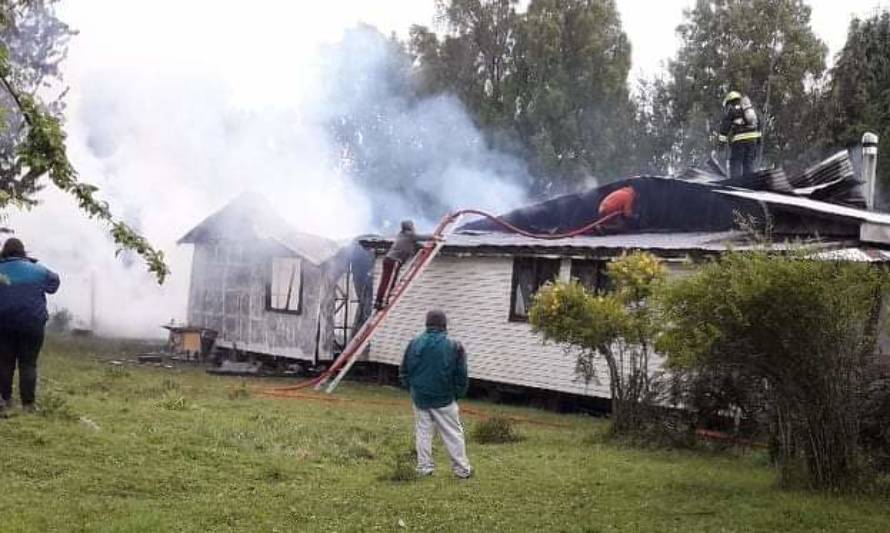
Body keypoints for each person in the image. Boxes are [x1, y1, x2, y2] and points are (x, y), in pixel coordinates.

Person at [399, 309, 472, 479]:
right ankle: (461, 469)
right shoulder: (455, 345)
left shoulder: (414, 343)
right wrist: (457, 394)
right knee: (453, 433)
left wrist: (412, 388)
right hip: (445, 398)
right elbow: (461, 374)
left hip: (420, 397)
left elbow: (403, 370)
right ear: (444, 325)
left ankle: (424, 468)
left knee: (423, 433)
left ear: (427, 323)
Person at [0, 238, 60, 416]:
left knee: (4, 362)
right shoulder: (39, 271)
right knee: (28, 363)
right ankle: (28, 405)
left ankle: (5, 401)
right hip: (32, 324)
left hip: (3, 323)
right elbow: (54, 284)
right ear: (24, 252)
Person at [374, 220, 433, 310]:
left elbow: (415, 244)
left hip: (389, 260)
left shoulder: (404, 235)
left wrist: (424, 247)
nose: (414, 228)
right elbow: (422, 237)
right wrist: (434, 237)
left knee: (385, 281)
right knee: (389, 283)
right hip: (394, 261)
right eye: (413, 226)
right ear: (409, 227)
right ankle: (383, 302)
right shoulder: (410, 234)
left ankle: (379, 301)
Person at [718, 90, 762, 179]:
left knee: (735, 162)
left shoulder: (732, 111)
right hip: (752, 141)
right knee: (748, 162)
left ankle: (735, 182)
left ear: (730, 102)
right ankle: (748, 182)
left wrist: (721, 143)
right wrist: (758, 141)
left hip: (739, 141)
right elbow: (759, 124)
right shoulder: (751, 110)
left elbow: (725, 128)